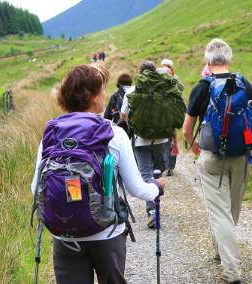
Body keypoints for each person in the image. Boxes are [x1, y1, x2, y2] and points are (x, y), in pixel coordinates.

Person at [30, 64, 166, 283]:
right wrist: (156, 189)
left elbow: (35, 188)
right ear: (93, 97)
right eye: (101, 89)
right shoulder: (114, 133)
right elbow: (136, 188)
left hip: (64, 235)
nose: (105, 94)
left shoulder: (52, 132)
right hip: (106, 232)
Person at [182, 38, 252, 284]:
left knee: (220, 215)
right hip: (242, 157)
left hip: (212, 157)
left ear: (207, 60)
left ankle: (231, 271)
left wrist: (197, 151)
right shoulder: (247, 85)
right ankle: (221, 249)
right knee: (231, 212)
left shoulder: (202, 87)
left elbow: (186, 130)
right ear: (229, 59)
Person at [121, 60, 181, 229]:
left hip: (141, 139)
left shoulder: (132, 91)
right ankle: (153, 207)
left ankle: (153, 211)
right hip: (162, 138)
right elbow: (173, 116)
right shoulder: (165, 89)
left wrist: (134, 123)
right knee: (157, 171)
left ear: (140, 73)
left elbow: (123, 115)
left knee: (146, 173)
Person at [157, 58, 180, 176]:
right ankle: (170, 166)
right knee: (171, 139)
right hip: (172, 111)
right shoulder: (175, 79)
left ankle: (164, 165)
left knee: (164, 140)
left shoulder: (158, 76)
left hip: (161, 112)